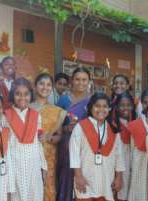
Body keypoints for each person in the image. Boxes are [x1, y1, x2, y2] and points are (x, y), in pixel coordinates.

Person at [70, 92, 125, 201]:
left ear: (109, 109)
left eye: (105, 106)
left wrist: (119, 177)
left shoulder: (113, 130)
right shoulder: (81, 127)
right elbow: (74, 154)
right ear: (91, 108)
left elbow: (119, 156)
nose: (101, 109)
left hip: (106, 179)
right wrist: (78, 176)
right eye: (97, 106)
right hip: (86, 178)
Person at [3, 77, 47, 201]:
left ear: (31, 95)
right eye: (18, 94)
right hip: (13, 165)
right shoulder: (5, 116)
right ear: (12, 95)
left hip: (33, 165)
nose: (22, 97)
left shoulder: (36, 115)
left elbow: (38, 143)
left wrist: (43, 166)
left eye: (26, 94)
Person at [56, 67, 92, 201]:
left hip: (86, 147)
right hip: (66, 146)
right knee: (66, 178)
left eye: (84, 80)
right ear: (72, 81)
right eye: (77, 79)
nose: (81, 83)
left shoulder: (92, 101)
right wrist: (66, 129)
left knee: (84, 178)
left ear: (89, 81)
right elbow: (56, 126)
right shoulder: (63, 100)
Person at [30, 73, 67, 201]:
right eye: (41, 84)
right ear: (35, 86)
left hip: (49, 158)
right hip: (29, 156)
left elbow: (59, 136)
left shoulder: (57, 111)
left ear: (51, 88)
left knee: (48, 189)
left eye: (48, 85)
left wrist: (49, 138)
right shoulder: (26, 108)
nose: (45, 87)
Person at [127, 88, 148, 201]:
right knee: (139, 194)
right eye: (145, 102)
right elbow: (131, 150)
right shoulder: (134, 125)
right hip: (139, 165)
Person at [109, 92, 136, 201]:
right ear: (116, 107)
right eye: (122, 105)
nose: (125, 108)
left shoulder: (135, 123)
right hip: (116, 163)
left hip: (130, 163)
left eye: (129, 105)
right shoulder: (112, 125)